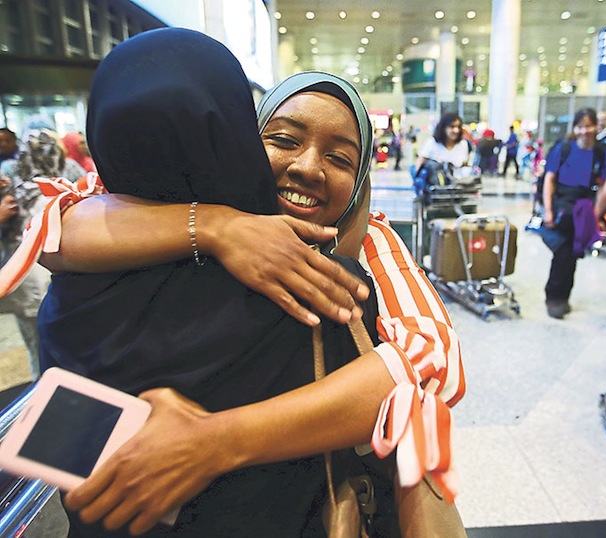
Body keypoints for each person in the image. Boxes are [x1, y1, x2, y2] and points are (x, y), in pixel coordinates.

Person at [15, 31, 461, 535]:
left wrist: (213, 440)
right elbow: (55, 226)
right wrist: (214, 225)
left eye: (341, 158)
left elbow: (431, 358)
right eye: (283, 139)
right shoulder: (118, 235)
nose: (308, 167)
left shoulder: (352, 260)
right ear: (239, 137)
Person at [0, 127, 88, 377]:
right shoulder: (69, 196)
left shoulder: (16, 196)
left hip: (26, 287)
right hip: (63, 287)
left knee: (37, 351)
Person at [540, 108, 606, 319]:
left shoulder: (600, 152)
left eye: (589, 125)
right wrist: (548, 210)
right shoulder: (564, 148)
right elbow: (549, 180)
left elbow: (604, 184)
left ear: (596, 127)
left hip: (584, 208)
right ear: (575, 128)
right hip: (562, 205)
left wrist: (597, 215)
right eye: (581, 126)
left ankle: (563, 297)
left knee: (574, 255)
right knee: (562, 253)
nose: (585, 131)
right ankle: (554, 298)